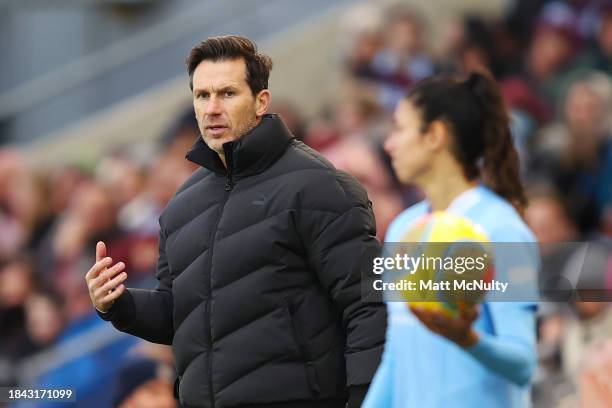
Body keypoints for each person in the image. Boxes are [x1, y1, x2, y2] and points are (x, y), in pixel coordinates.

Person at [85, 35, 386, 408]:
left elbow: (368, 306)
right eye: (201, 95)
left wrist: (366, 400)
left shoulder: (317, 185)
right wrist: (119, 304)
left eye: (227, 94)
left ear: (261, 101)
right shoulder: (181, 206)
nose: (211, 109)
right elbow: (181, 314)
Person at [363, 72, 539, 407]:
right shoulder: (403, 230)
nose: (389, 144)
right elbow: (397, 357)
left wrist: (467, 339)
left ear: (435, 135)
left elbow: (523, 364)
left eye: (399, 129)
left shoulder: (501, 229)